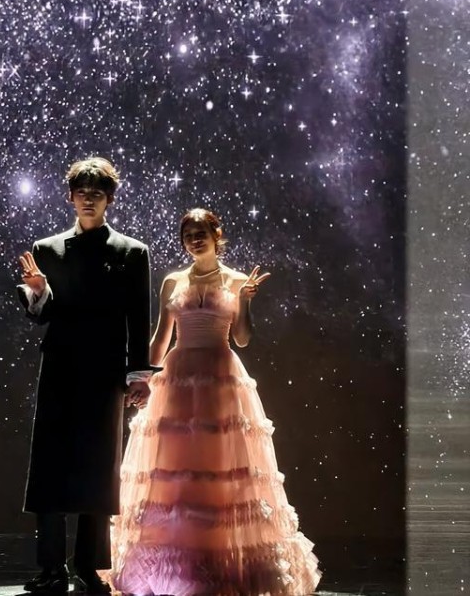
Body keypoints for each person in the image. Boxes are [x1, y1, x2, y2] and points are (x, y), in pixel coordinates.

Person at [109, 208, 321, 595]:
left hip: (220, 376)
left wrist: (247, 301)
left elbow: (242, 338)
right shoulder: (173, 281)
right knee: (176, 469)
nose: (194, 239)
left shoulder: (237, 280)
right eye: (188, 234)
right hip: (178, 377)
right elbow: (161, 337)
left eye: (200, 232)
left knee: (218, 466)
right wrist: (142, 378)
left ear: (215, 235)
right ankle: (177, 567)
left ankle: (217, 562)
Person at [17, 157, 155, 595]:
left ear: (109, 199)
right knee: (51, 466)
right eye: (82, 193)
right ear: (70, 197)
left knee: (98, 467)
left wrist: (138, 375)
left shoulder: (132, 251)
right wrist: (39, 292)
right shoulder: (47, 249)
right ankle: (51, 569)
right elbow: (41, 316)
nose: (89, 200)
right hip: (59, 367)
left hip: (104, 371)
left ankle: (89, 567)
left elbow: (139, 318)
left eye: (97, 193)